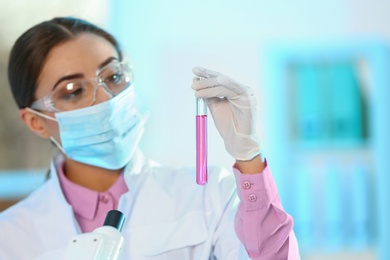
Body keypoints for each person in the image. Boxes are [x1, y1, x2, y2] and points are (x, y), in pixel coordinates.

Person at [0, 17, 299, 259]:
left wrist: (249, 157)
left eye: (113, 77)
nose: (105, 99)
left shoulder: (208, 195)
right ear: (36, 122)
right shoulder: (11, 237)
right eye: (74, 91)